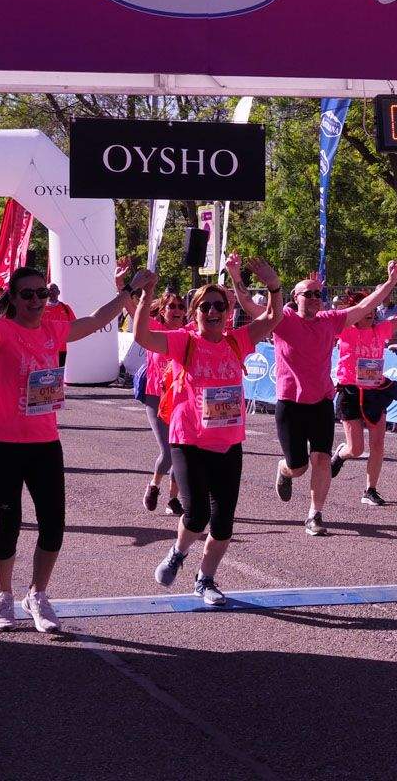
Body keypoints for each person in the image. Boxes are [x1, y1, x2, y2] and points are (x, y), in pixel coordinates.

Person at [0, 244, 152, 633]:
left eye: (41, 293)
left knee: (53, 524)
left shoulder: (53, 328)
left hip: (44, 444)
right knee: (8, 522)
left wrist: (130, 287)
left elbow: (96, 320)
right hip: (2, 445)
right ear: (13, 297)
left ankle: (38, 594)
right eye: (27, 294)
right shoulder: (1, 331)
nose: (35, 300)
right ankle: (4, 596)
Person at [133, 258, 282, 603]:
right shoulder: (183, 342)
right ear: (195, 312)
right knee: (197, 513)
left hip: (228, 443)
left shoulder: (237, 341)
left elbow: (274, 318)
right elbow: (142, 335)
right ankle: (178, 553)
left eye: (219, 305)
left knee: (224, 523)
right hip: (189, 441)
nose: (213, 311)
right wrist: (147, 294)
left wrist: (274, 286)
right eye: (205, 306)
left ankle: (207, 579)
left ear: (228, 312)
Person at [259, 262, 397, 537]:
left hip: (322, 401)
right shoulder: (283, 319)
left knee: (322, 459)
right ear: (295, 298)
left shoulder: (330, 320)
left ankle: (314, 514)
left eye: (318, 294)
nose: (315, 298)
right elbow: (254, 309)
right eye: (309, 294)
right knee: (299, 466)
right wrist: (236, 278)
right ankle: (284, 469)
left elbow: (363, 308)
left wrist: (390, 283)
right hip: (290, 402)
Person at [330, 280, 397, 506]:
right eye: (364, 310)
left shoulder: (381, 330)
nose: (369, 314)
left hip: (376, 392)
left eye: (372, 310)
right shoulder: (346, 331)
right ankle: (341, 453)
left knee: (378, 444)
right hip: (350, 392)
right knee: (356, 449)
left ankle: (370, 490)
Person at [135, 290, 187, 516]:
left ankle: (173, 499)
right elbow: (133, 309)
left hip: (181, 398)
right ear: (163, 310)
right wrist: (121, 286)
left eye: (180, 307)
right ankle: (154, 486)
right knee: (167, 451)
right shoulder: (154, 328)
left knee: (182, 449)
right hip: (156, 396)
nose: (176, 310)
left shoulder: (188, 332)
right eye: (172, 306)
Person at [43, 284, 76, 368]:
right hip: (45, 348)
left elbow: (74, 324)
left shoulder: (65, 308)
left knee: (59, 373)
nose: (52, 291)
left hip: (61, 348)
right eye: (50, 289)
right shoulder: (41, 308)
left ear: (58, 292)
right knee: (45, 374)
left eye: (54, 289)